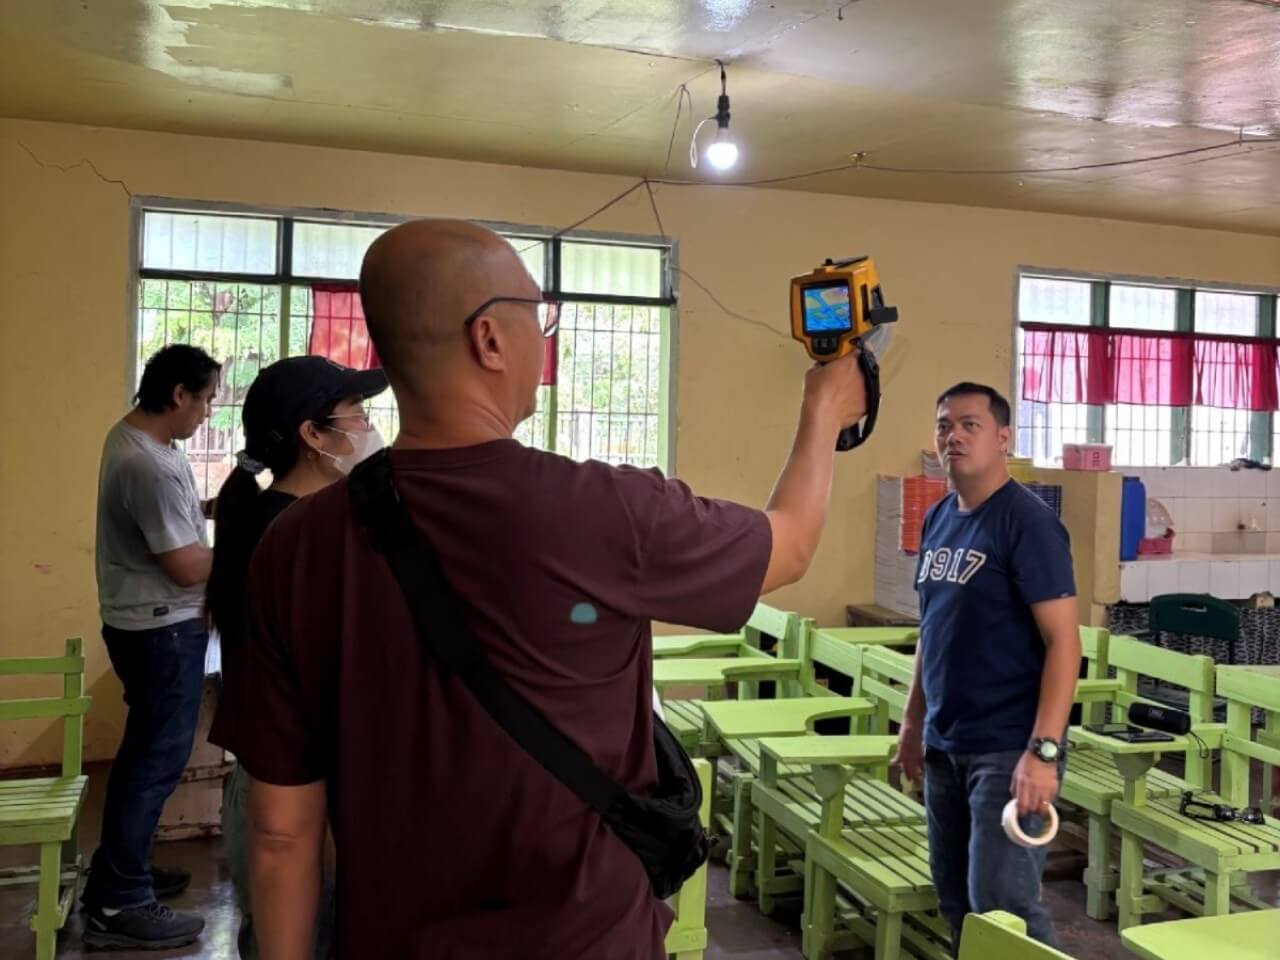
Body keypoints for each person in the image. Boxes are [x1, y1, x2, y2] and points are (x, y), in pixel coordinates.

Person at [234, 219, 868, 960]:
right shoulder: (599, 511)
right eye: (538, 314)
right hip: (584, 939)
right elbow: (787, 545)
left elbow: (280, 834)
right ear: (489, 340)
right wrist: (824, 408)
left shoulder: (295, 545)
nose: (543, 335)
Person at [206, 356, 389, 959]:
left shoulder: (272, 517)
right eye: (358, 415)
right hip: (300, 791)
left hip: (279, 781)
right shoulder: (299, 537)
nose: (368, 429)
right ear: (314, 435)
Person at [893, 382, 1081, 954]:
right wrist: (911, 723)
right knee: (957, 901)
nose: (954, 435)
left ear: (1003, 438)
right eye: (945, 424)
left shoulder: (1027, 523)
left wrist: (1043, 752)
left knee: (1004, 909)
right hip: (947, 743)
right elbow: (934, 630)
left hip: (1009, 749)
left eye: (970, 425)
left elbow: (1064, 644)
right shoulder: (939, 519)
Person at [83, 344, 221, 949]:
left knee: (145, 759)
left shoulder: (141, 441)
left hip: (143, 623)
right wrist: (251, 544)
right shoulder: (147, 464)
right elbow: (189, 566)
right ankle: (120, 903)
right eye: (206, 399)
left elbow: (181, 523)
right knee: (152, 765)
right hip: (162, 629)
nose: (207, 413)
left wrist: (227, 509)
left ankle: (121, 872)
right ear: (178, 396)